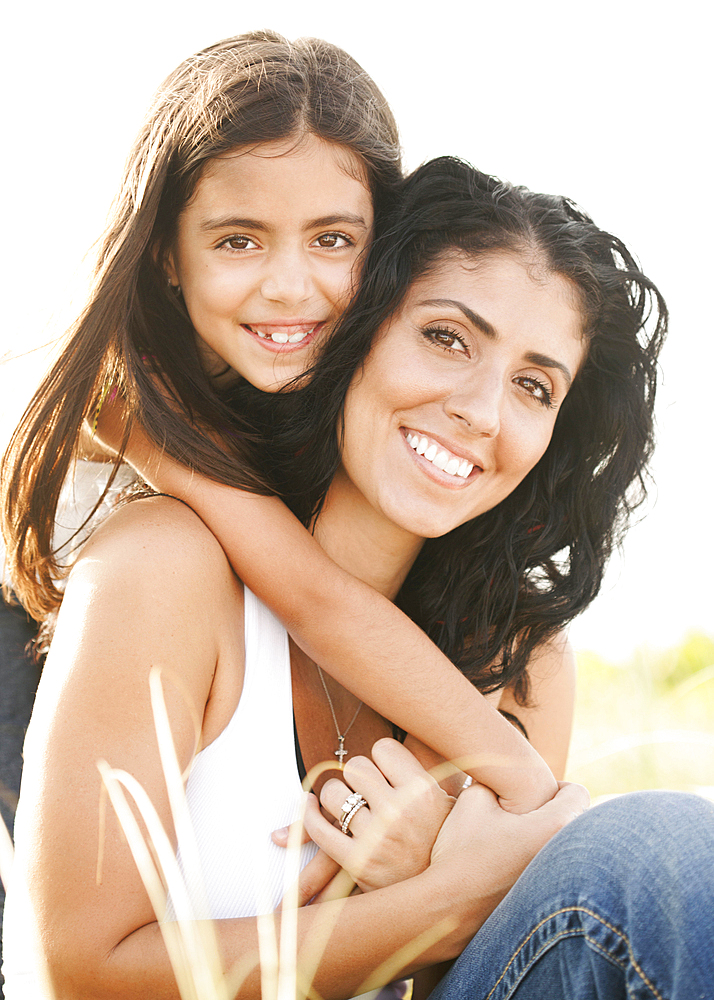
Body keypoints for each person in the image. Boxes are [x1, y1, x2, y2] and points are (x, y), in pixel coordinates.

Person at [7, 158, 708, 1000]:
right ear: (356, 325)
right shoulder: (167, 568)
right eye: (446, 337)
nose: (482, 411)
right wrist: (445, 902)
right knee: (653, 851)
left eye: (533, 385)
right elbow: (74, 972)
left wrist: (430, 873)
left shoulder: (521, 664)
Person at [1, 30, 557, 821]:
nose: (291, 288)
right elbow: (311, 594)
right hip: (29, 643)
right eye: (238, 241)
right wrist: (535, 788)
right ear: (165, 252)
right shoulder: (129, 391)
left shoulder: (324, 380)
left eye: (332, 240)